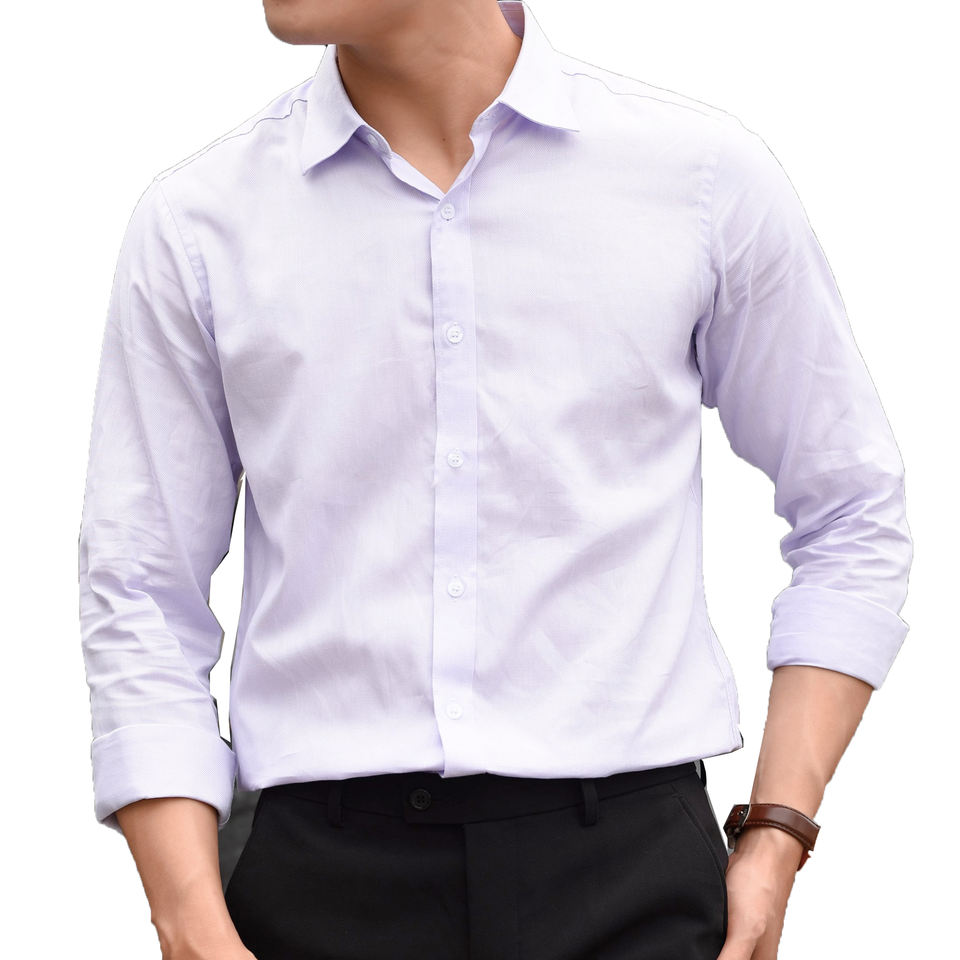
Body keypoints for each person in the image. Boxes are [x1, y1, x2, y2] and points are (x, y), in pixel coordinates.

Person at [76, 1, 913, 958]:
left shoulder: (701, 181)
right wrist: (190, 923)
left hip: (632, 880)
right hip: (315, 886)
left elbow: (851, 507)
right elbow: (139, 588)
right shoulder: (199, 222)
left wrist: (777, 834)